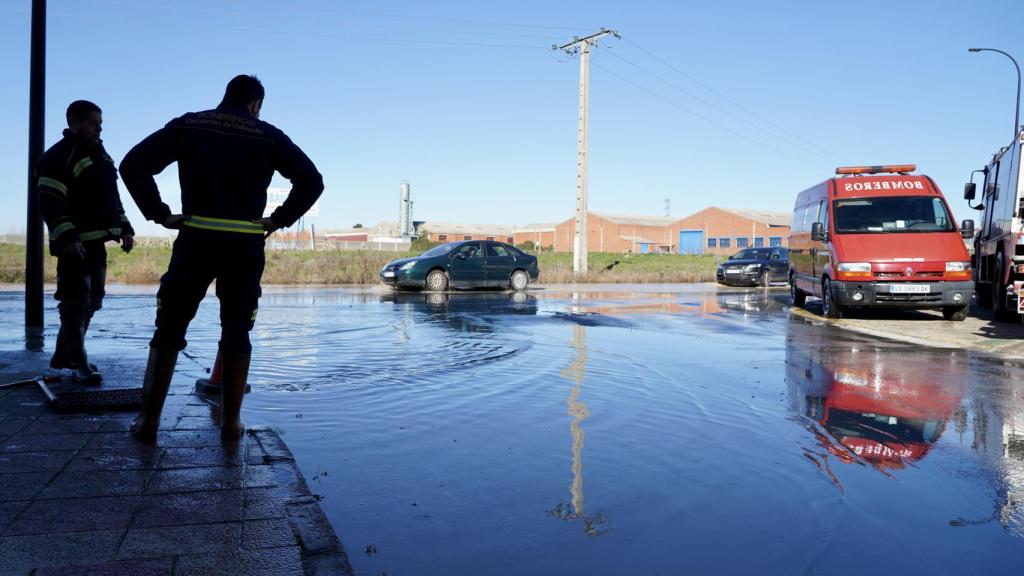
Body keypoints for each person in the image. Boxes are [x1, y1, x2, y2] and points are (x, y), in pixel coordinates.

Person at [120, 75, 323, 442]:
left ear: (225, 97)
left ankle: (148, 422)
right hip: (244, 246)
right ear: (255, 105)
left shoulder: (189, 124)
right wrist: (278, 220)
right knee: (236, 330)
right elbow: (312, 180)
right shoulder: (268, 134)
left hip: (195, 238)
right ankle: (231, 424)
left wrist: (159, 213)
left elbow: (133, 164)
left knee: (169, 328)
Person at [37, 100, 135, 385]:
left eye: (100, 123)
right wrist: (67, 236)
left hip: (96, 244)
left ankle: (63, 356)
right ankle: (78, 362)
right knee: (74, 303)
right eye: (93, 123)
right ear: (74, 123)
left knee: (92, 301)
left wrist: (125, 227)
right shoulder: (58, 156)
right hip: (74, 245)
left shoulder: (101, 156)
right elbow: (50, 201)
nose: (99, 128)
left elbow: (111, 197)